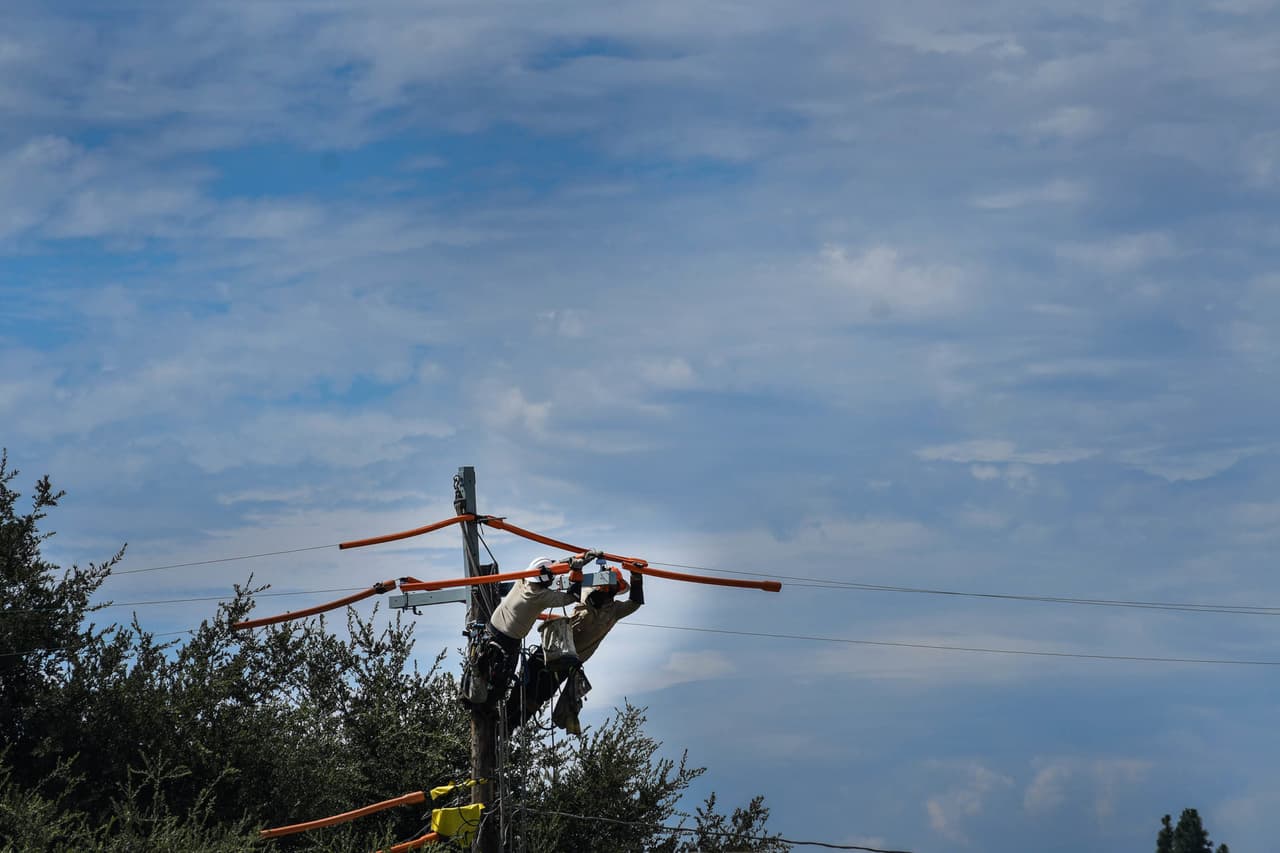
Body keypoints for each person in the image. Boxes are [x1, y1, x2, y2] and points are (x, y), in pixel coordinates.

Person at [506, 566, 644, 731]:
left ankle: (511, 727)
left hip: (568, 661)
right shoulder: (585, 594)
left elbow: (635, 602)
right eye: (608, 586)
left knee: (538, 695)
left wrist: (636, 575)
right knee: (524, 684)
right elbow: (576, 588)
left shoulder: (615, 611)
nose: (610, 591)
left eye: (613, 587)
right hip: (552, 649)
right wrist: (577, 570)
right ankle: (502, 720)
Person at [462, 556, 582, 706]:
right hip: (507, 642)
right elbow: (574, 596)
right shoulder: (541, 596)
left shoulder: (522, 580)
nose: (553, 581)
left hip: (491, 632)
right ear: (544, 579)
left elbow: (546, 569)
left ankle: (472, 698)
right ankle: (483, 707)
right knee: (498, 682)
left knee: (480, 670)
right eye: (551, 578)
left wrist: (572, 561)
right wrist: (577, 571)